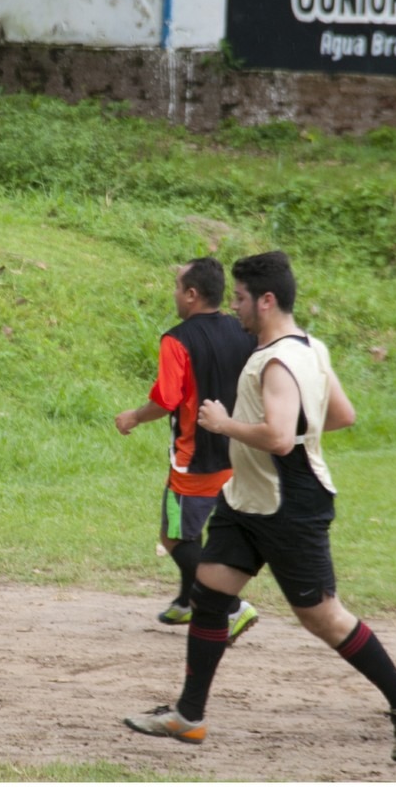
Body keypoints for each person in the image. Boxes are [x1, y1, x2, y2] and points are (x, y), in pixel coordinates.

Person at [123, 250, 396, 762]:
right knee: (209, 594)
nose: (236, 308)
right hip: (248, 499)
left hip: (289, 507)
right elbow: (342, 415)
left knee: (323, 618)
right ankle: (189, 716)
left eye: (242, 298)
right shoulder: (311, 347)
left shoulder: (278, 361)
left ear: (267, 300)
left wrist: (224, 426)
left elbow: (279, 437)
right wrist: (286, 433)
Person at [114, 257, 258, 641]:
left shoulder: (176, 340)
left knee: (174, 537)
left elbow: (166, 401)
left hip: (195, 462)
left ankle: (232, 607)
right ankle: (187, 602)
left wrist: (133, 416)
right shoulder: (243, 330)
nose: (174, 293)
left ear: (192, 295)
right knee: (199, 535)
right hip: (238, 454)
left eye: (177, 287)